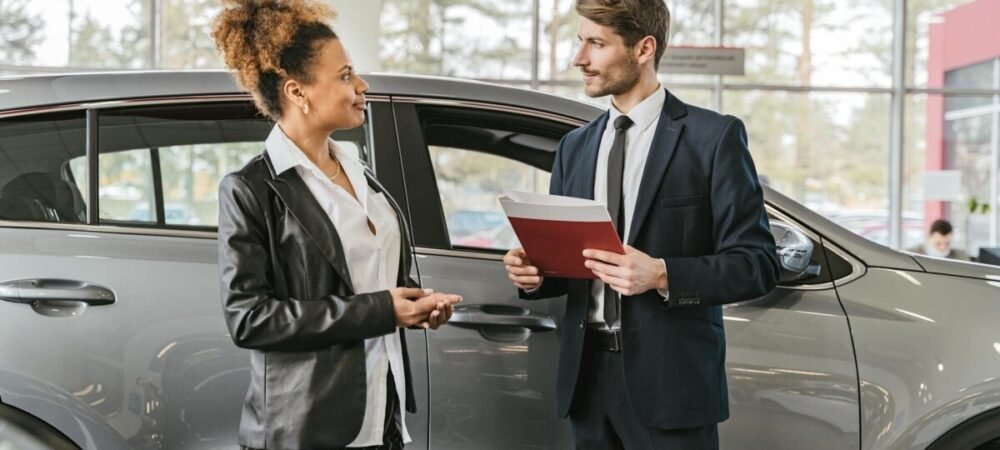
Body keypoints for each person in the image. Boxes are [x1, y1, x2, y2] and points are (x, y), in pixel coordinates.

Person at [503, 1, 779, 448]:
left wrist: (663, 274)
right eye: (580, 42)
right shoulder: (574, 147)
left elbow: (758, 264)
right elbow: (573, 265)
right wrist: (534, 274)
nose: (580, 59)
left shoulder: (713, 139)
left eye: (596, 43)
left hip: (672, 386)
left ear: (644, 48)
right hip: (587, 381)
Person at [212, 1, 462, 449]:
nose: (361, 85)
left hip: (382, 415)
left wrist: (415, 306)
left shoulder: (360, 173)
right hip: (308, 428)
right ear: (296, 91)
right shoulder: (251, 190)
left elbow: (376, 280)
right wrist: (383, 309)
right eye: (345, 75)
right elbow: (249, 319)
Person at [907, 219, 971, 261]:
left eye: (947, 243)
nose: (943, 247)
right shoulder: (910, 254)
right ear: (929, 237)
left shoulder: (961, 257)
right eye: (938, 244)